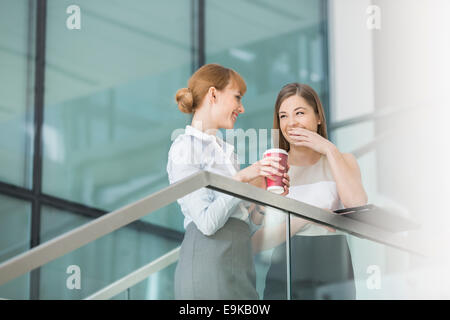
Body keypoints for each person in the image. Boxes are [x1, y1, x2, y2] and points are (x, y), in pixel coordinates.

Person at [167, 63, 290, 300]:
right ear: (213, 94)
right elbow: (206, 222)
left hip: (240, 258)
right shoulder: (184, 148)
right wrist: (243, 177)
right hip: (209, 259)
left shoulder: (227, 153)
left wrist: (262, 202)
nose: (241, 108)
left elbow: (243, 222)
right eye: (237, 97)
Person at [259, 83, 368, 300]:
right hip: (285, 266)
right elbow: (257, 241)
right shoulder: (272, 167)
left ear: (318, 117)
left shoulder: (342, 160)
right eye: (283, 116)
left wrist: (328, 149)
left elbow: (358, 205)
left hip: (332, 262)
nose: (291, 123)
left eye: (299, 113)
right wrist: (306, 218)